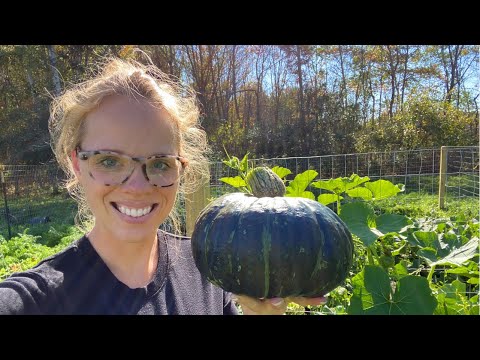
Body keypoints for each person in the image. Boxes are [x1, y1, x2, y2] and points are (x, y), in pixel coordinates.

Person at [0, 55, 326, 315]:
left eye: (159, 164)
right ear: (77, 164)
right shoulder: (33, 300)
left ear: (180, 170)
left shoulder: (207, 264)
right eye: (110, 161)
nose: (138, 186)